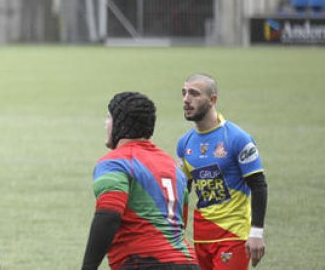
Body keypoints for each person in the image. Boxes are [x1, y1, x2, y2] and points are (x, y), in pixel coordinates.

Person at [81, 92, 197, 270]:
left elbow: (109, 215)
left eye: (108, 117)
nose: (105, 124)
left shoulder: (115, 162)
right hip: (189, 263)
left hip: (144, 262)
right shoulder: (172, 166)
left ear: (120, 124)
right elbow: (179, 223)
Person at [178, 74, 268, 269]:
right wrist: (176, 231)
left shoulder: (237, 139)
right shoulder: (184, 143)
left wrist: (256, 233)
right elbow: (183, 190)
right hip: (200, 237)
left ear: (213, 100)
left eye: (194, 93)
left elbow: (259, 185)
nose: (186, 99)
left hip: (233, 235)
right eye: (184, 93)